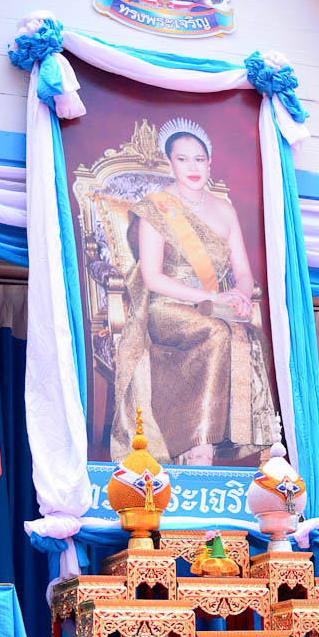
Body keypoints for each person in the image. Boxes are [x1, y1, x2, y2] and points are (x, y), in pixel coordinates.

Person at [110, 118, 277, 467]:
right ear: (169, 162)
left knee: (251, 338)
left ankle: (224, 442)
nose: (192, 167)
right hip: (167, 305)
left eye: (199, 159)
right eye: (182, 159)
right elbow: (152, 278)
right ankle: (197, 446)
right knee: (217, 334)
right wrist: (213, 298)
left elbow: (243, 273)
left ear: (210, 162)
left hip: (214, 305)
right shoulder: (156, 207)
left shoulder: (224, 210)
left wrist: (241, 294)